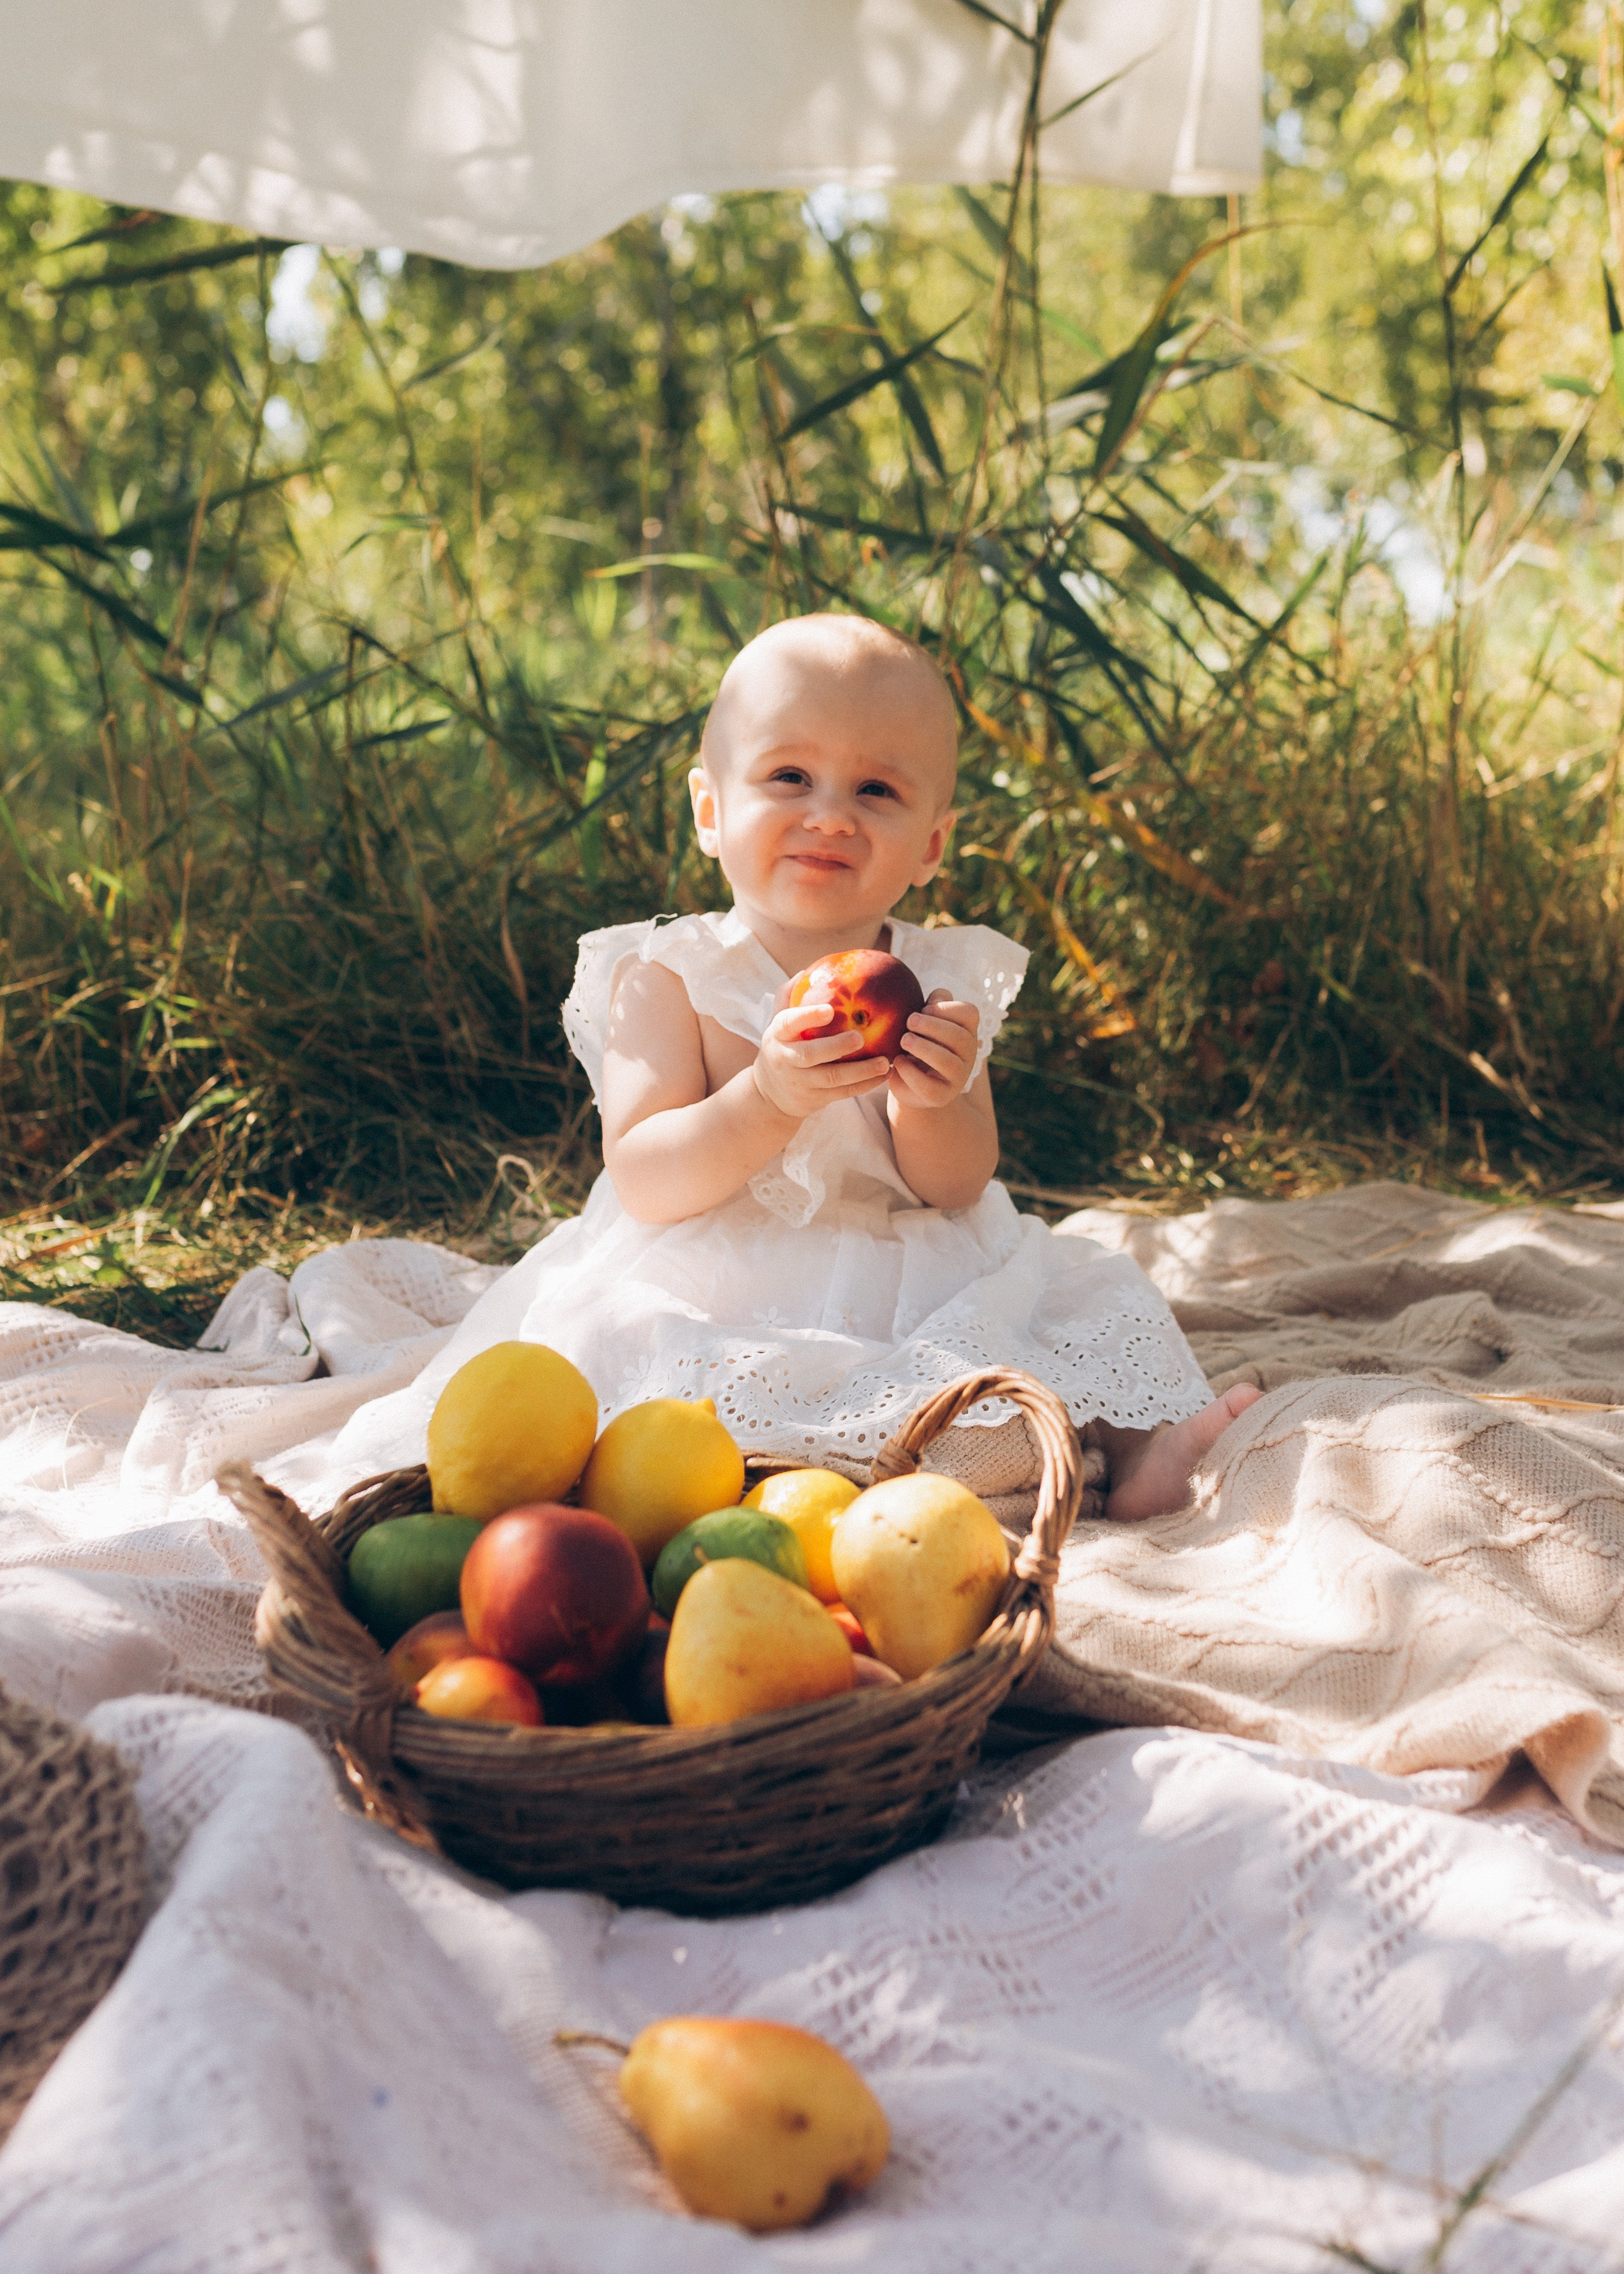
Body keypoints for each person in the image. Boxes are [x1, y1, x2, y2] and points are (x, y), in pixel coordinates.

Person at [332, 612, 1258, 1517]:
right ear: (711, 811)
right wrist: (765, 1098)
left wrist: (934, 1100)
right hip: (712, 1273)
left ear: (932, 845)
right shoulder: (668, 976)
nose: (830, 816)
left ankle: (1139, 1453)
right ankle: (759, 1474)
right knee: (634, 1356)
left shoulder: (936, 984)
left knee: (1089, 1298)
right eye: (790, 776)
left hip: (912, 1267)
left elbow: (956, 1185)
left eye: (876, 791)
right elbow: (646, 1177)